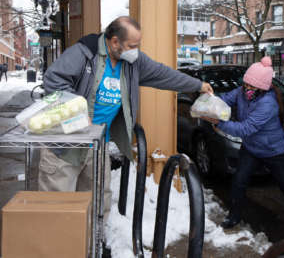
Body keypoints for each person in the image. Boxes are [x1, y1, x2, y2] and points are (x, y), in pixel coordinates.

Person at [40, 16, 213, 236]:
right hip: (64, 146)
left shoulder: (133, 62)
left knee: (97, 204)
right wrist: (78, 113)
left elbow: (163, 74)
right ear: (114, 42)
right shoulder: (84, 52)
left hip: (96, 146)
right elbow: (53, 80)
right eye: (132, 45)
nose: (136, 50)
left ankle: (90, 246)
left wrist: (197, 85)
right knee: (58, 208)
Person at [202, 56, 284, 238]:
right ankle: (234, 215)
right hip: (252, 149)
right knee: (239, 181)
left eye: (251, 86)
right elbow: (225, 99)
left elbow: (246, 128)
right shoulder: (241, 91)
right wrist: (209, 102)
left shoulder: (268, 103)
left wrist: (219, 123)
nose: (247, 89)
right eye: (246, 84)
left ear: (263, 87)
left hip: (275, 152)